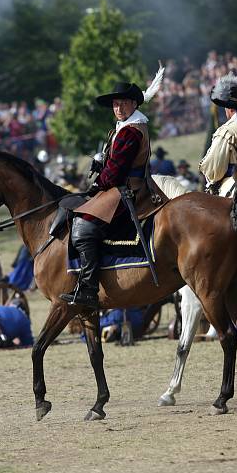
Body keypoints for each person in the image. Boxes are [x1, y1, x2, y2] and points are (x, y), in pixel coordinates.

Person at [63, 79, 168, 308]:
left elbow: (115, 172)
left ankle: (89, 288)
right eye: (115, 104)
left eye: (122, 104)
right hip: (121, 186)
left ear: (133, 104)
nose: (118, 108)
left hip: (126, 190)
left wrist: (97, 184)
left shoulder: (131, 131)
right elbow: (114, 162)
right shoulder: (123, 128)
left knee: (83, 226)